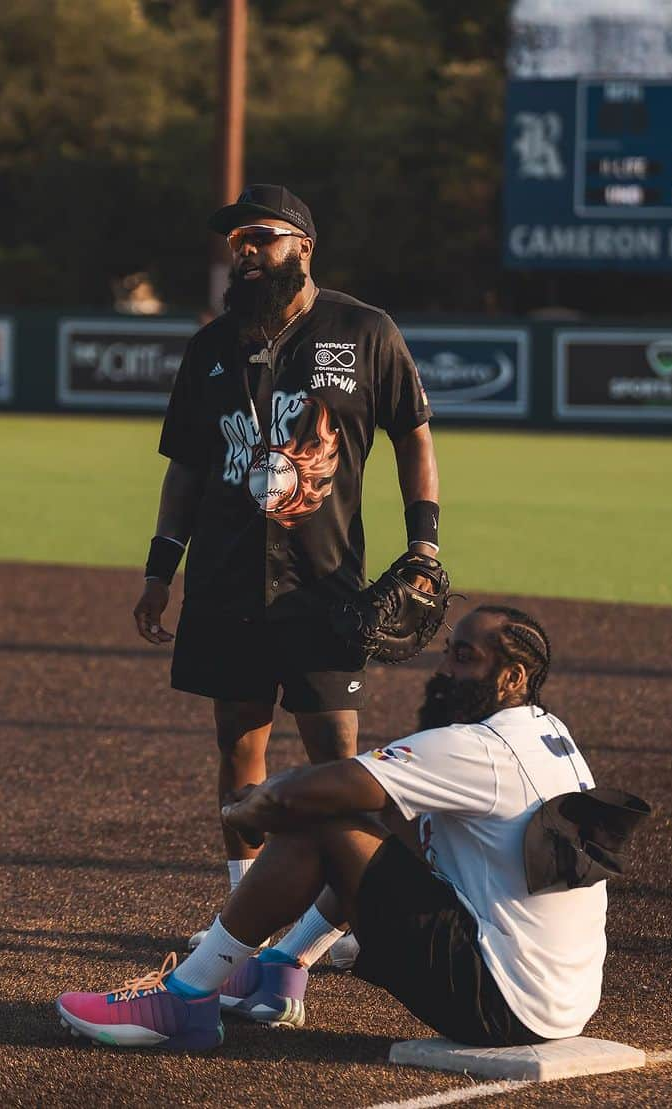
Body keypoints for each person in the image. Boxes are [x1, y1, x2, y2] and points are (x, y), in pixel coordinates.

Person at [57, 606, 609, 1052]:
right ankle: (281, 967)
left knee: (318, 822)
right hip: (561, 1000)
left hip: (500, 1005)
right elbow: (395, 822)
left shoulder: (477, 749)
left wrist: (248, 810)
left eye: (464, 659)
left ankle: (182, 1003)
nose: (445, 672)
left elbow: (303, 792)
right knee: (378, 816)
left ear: (512, 677)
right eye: (447, 654)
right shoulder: (549, 734)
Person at [132, 184, 441, 952]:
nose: (244, 252)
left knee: (338, 759)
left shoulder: (364, 331)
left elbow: (415, 433)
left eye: (259, 238)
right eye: (235, 242)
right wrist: (159, 568)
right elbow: (186, 470)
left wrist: (425, 542)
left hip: (325, 586)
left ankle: (331, 920)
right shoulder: (212, 346)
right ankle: (246, 916)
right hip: (226, 584)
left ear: (302, 244)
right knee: (239, 745)